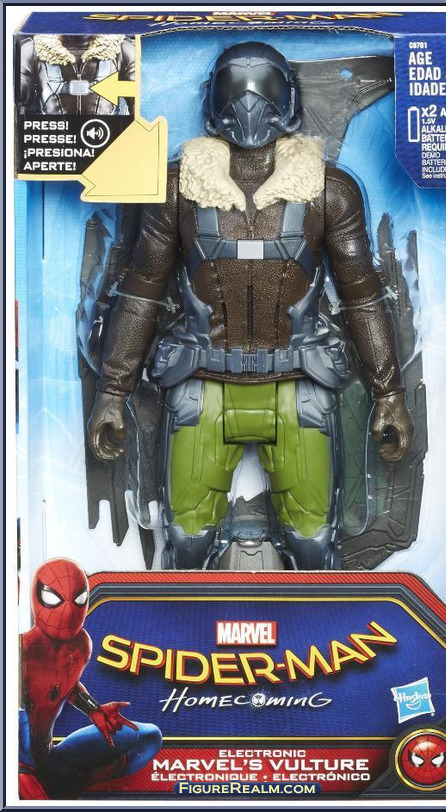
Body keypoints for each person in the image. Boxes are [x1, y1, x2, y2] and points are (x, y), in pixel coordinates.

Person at [88, 42, 413, 570]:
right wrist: (113, 390)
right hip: (202, 383)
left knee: (313, 545)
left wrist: (389, 392)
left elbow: (362, 294)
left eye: (263, 88)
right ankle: (184, 621)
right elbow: (142, 289)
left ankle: (317, 622)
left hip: (298, 385)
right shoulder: (177, 190)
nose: (249, 102)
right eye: (235, 89)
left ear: (288, 101)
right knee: (187, 543)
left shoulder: (329, 192)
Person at [19, 558, 161, 799]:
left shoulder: (80, 646)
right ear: (37, 595)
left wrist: (94, 709)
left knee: (147, 737)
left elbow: (63, 684)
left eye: (78, 599)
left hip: (50, 761)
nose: (67, 611)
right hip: (15, 768)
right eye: (54, 598)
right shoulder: (18, 653)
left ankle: (67, 785)